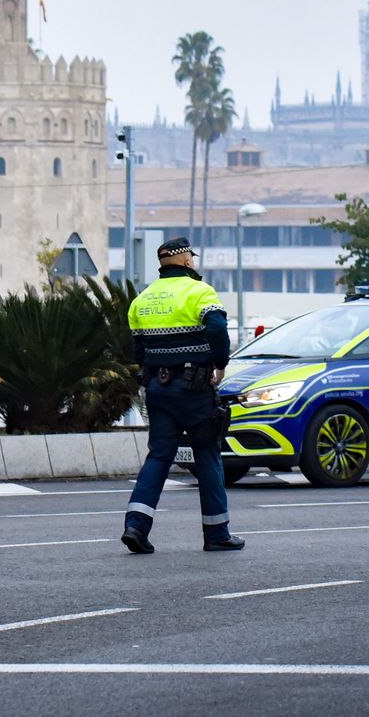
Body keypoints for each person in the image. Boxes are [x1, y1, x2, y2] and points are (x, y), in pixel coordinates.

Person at [121, 236, 245, 554]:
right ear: (187, 261)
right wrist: (219, 365)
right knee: (207, 452)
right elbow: (217, 329)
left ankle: (136, 525)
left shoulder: (143, 300)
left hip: (158, 390)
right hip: (194, 388)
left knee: (159, 456)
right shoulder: (199, 292)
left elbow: (138, 350)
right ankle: (217, 533)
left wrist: (155, 370)